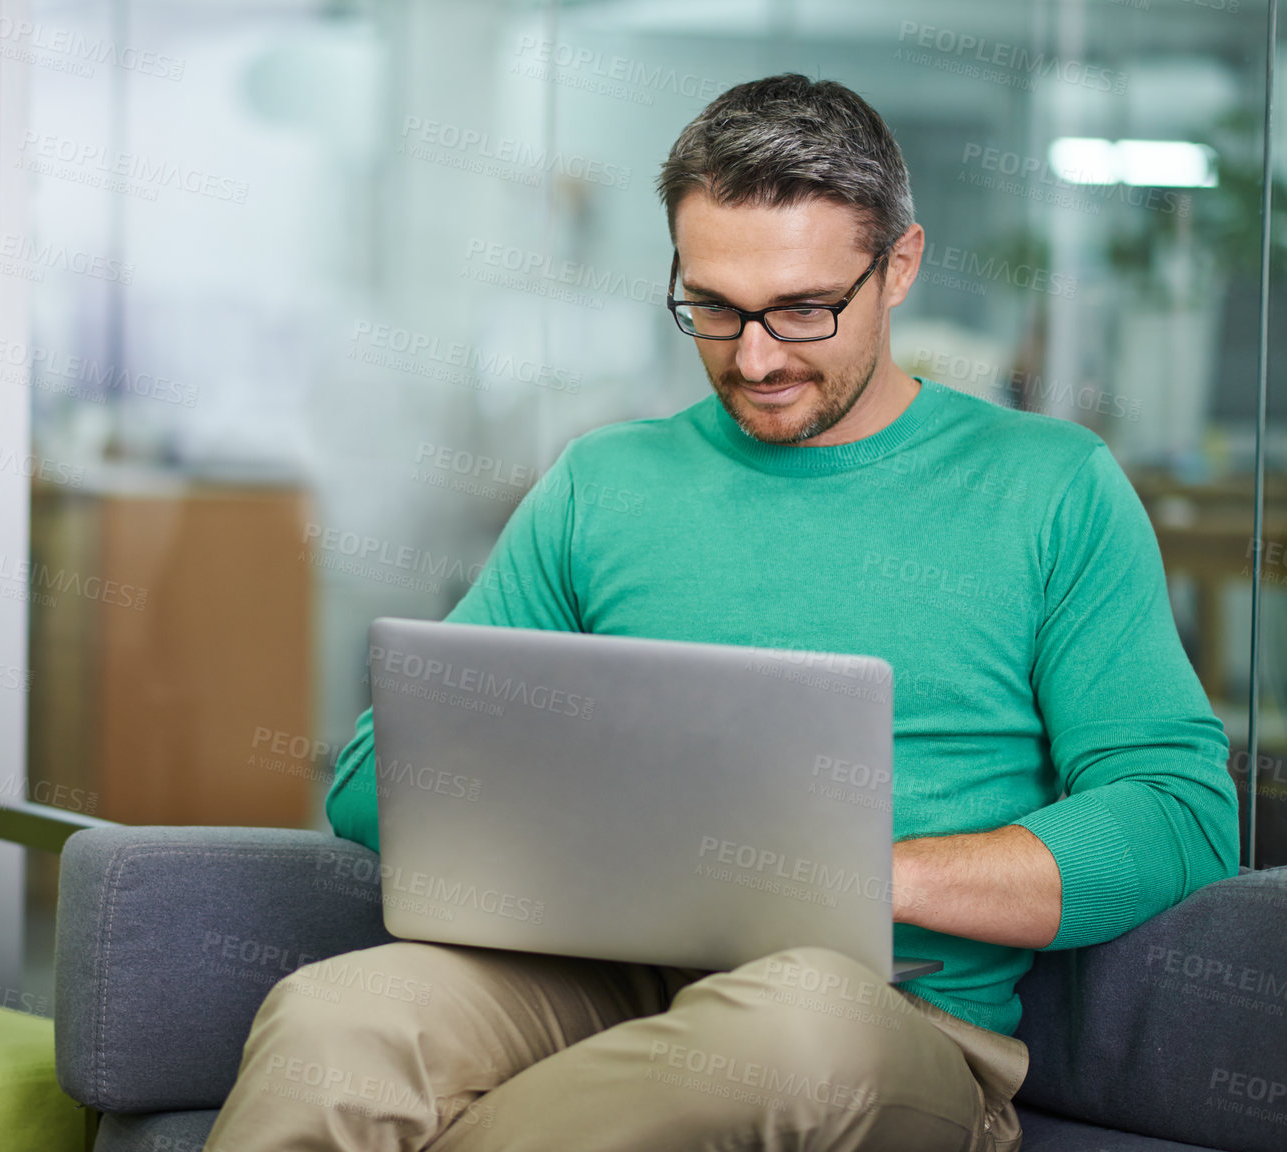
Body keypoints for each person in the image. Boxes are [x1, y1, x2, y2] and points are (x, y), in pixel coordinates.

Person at [201, 73, 1239, 1152]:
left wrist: (867, 876)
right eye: (713, 306)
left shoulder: (1051, 485)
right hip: (589, 978)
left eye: (803, 309)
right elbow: (380, 773)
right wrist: (624, 842)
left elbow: (1177, 811)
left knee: (791, 1035)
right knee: (338, 1020)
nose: (753, 358)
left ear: (900, 268)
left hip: (883, 1014)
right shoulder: (602, 482)